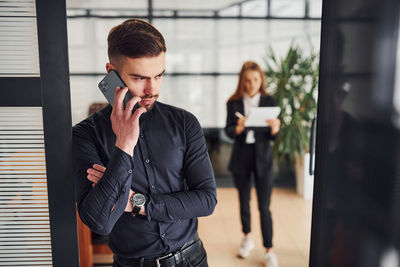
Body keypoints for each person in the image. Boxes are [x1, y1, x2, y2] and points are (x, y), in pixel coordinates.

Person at [73, 19, 217, 267]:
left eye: (159, 75)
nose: (152, 89)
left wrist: (135, 203)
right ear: (112, 73)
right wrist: (124, 145)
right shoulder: (85, 135)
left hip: (193, 259)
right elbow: (100, 221)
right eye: (140, 78)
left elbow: (206, 200)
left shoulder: (185, 123)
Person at [224, 61, 280, 267]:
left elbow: (275, 137)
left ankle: (269, 249)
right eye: (247, 80)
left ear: (261, 80)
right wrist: (238, 128)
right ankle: (247, 237)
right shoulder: (234, 103)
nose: (251, 84)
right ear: (242, 81)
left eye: (256, 79)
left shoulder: (269, 101)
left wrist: (275, 129)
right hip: (242, 157)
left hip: (263, 159)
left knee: (264, 207)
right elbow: (228, 131)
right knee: (244, 201)